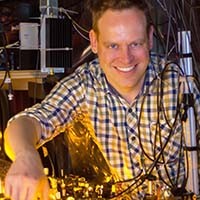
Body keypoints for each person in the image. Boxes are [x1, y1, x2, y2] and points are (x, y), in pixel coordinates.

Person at [4, 0, 200, 199]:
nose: (126, 58)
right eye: (113, 45)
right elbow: (28, 122)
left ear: (149, 38)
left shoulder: (179, 83)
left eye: (135, 43)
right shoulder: (86, 84)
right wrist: (26, 155)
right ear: (94, 42)